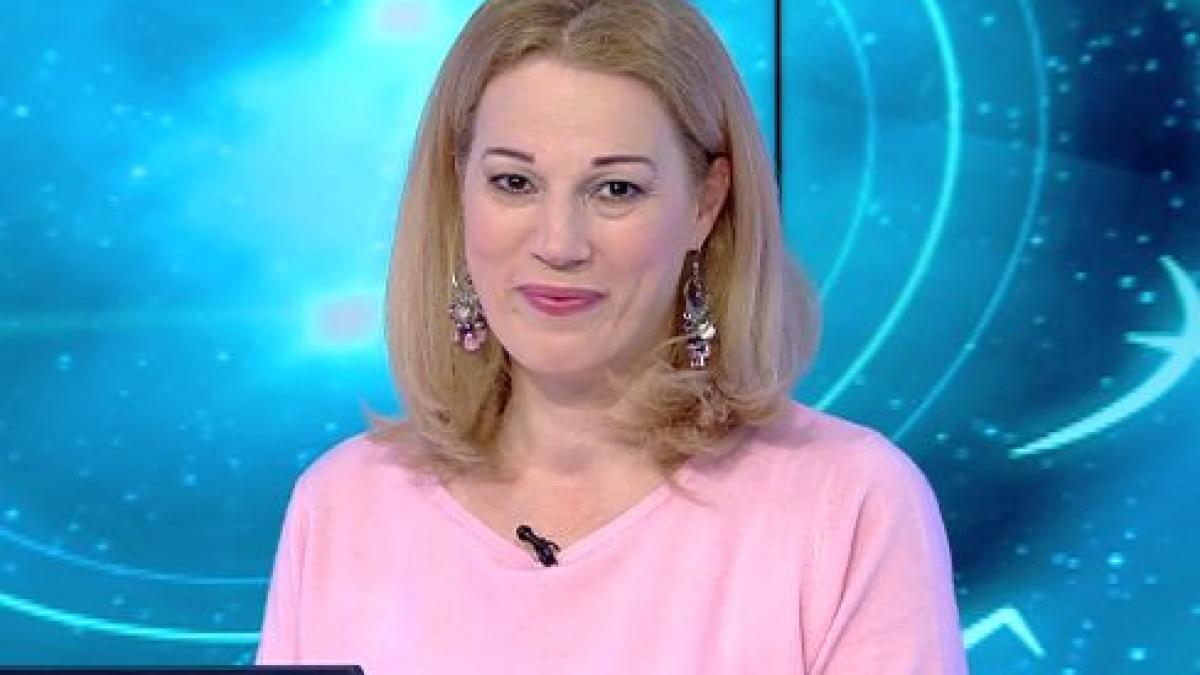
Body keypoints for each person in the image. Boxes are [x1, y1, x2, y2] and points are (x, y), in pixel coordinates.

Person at [254, 0, 970, 673]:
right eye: (514, 182)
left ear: (706, 203)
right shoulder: (343, 505)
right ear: (459, 189)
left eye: (616, 189)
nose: (558, 243)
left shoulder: (849, 505)